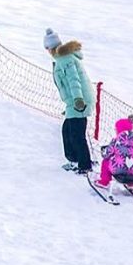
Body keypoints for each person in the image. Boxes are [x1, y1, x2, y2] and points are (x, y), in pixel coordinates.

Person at [45, 28, 94, 174]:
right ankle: (74, 159)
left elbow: (74, 80)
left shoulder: (65, 60)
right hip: (73, 102)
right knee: (67, 130)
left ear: (50, 48)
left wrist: (78, 99)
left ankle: (84, 165)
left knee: (77, 134)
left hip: (80, 101)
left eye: (47, 48)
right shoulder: (61, 59)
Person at [93, 115, 133, 197]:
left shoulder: (116, 140)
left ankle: (104, 181)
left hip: (118, 168)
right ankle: (131, 183)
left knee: (106, 162)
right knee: (128, 162)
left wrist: (105, 153)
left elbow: (108, 153)